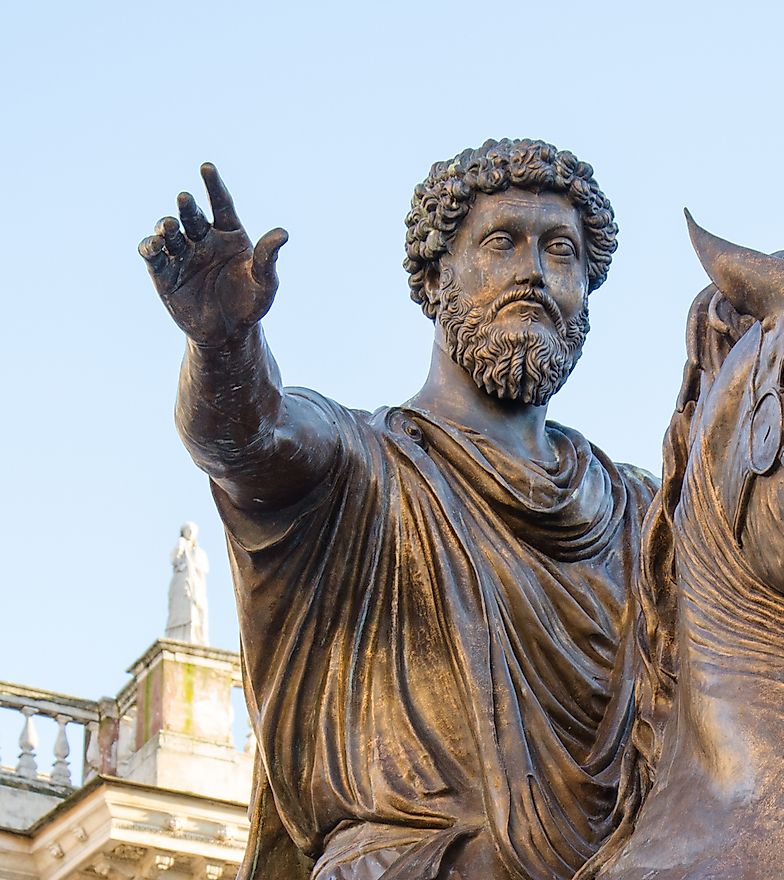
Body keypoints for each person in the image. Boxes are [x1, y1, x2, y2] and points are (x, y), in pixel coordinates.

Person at [139, 139, 657, 880]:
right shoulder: (360, 461)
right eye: (502, 242)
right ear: (434, 276)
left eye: (563, 252)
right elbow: (248, 439)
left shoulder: (641, 511)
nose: (534, 273)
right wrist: (225, 345)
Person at [165, 521, 209, 644]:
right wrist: (180, 546)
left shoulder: (199, 552)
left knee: (194, 610)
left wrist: (193, 554)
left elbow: (203, 568)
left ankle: (195, 635)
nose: (190, 533)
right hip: (181, 582)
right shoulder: (180, 546)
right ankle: (177, 635)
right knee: (181, 609)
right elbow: (173, 558)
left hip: (195, 584)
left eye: (192, 530)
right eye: (187, 530)